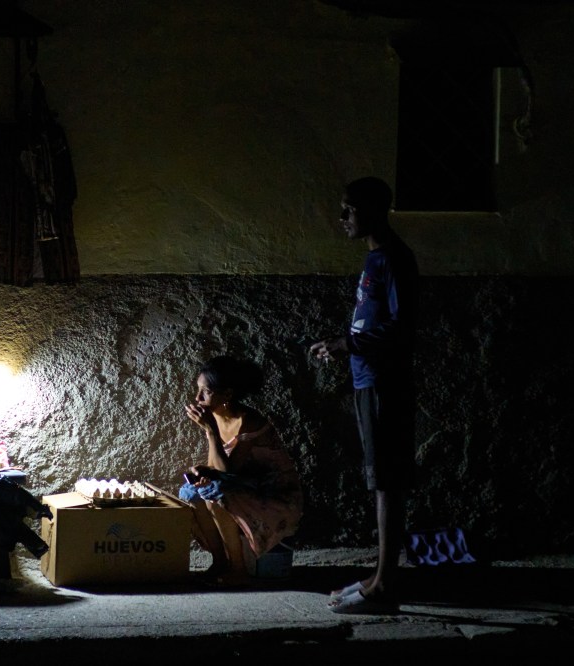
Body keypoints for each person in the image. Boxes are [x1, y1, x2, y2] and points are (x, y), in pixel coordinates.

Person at [309, 176, 419, 614]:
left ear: (374, 211)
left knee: (388, 482)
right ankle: (378, 576)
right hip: (367, 379)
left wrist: (347, 344)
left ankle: (384, 587)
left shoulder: (394, 259)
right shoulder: (376, 259)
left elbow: (402, 327)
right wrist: (343, 344)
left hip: (383, 382)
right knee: (380, 481)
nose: (342, 218)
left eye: (349, 210)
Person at [178, 356, 303, 586]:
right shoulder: (215, 416)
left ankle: (238, 569)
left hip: (271, 492)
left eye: (205, 392)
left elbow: (228, 472)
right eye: (198, 390)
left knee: (215, 492)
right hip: (242, 484)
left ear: (227, 394)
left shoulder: (250, 421)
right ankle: (219, 562)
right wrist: (203, 471)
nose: (197, 399)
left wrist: (211, 433)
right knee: (190, 493)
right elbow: (217, 469)